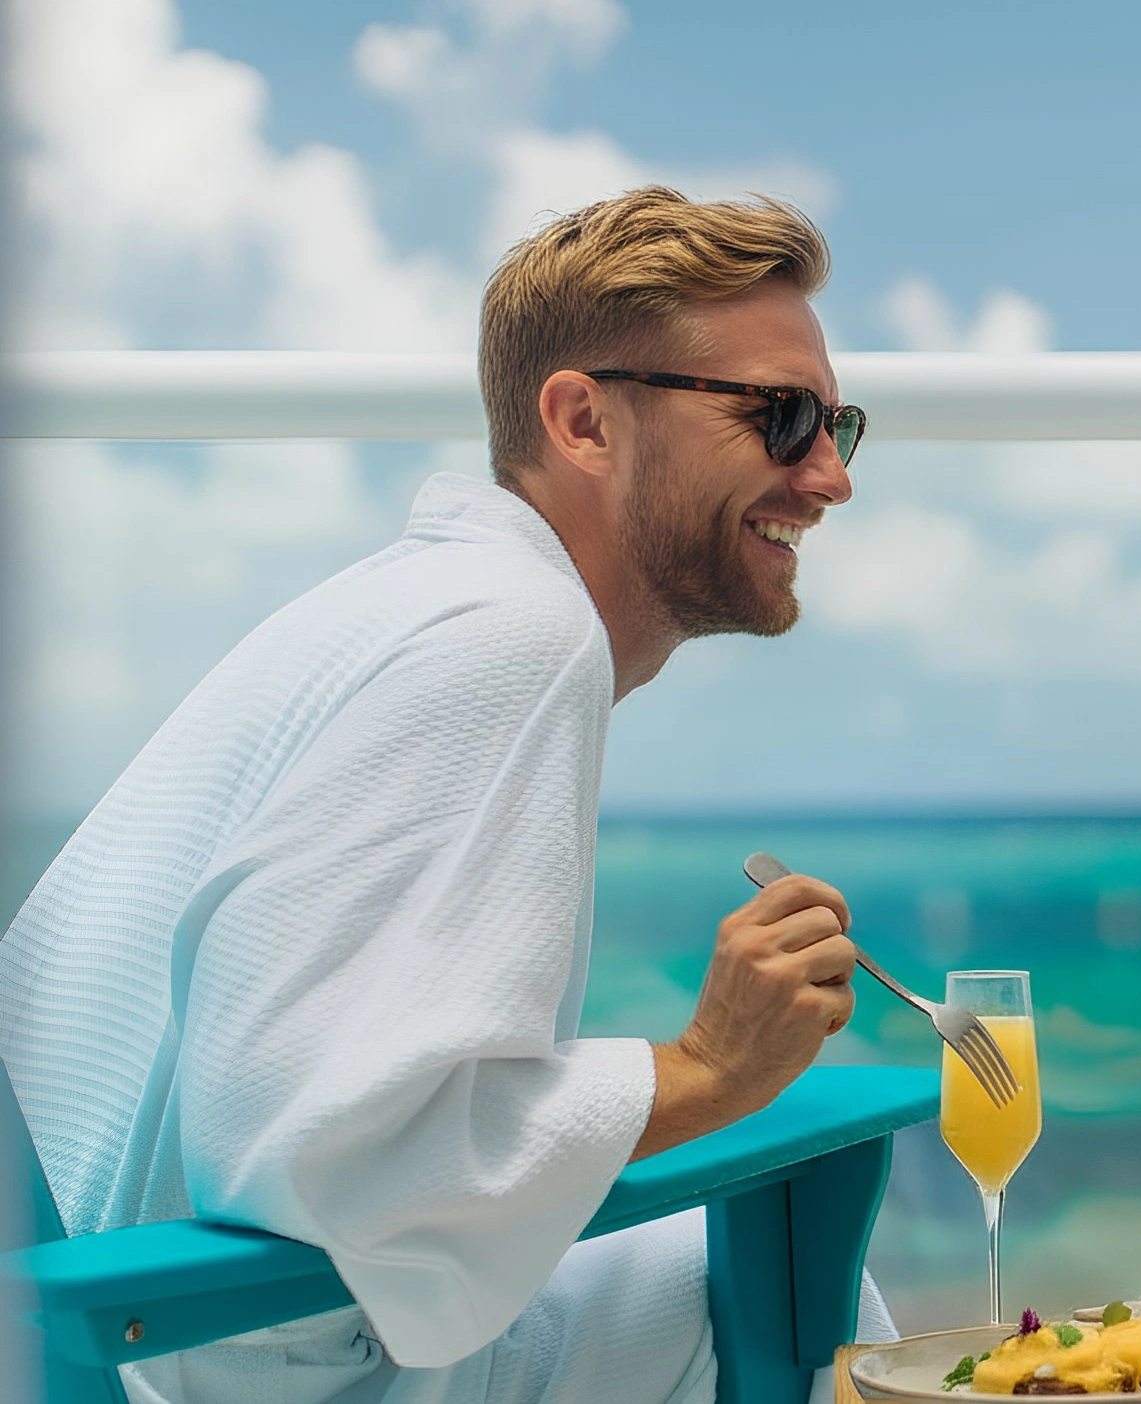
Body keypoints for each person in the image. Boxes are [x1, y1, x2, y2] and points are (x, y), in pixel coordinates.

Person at [0, 187, 885, 1404]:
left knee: (711, 1276)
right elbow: (323, 1147)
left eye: (838, 424)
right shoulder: (511, 637)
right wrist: (707, 1068)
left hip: (97, 1324)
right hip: (215, 1356)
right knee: (802, 1298)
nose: (829, 477)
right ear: (584, 422)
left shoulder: (403, 608)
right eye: (781, 418)